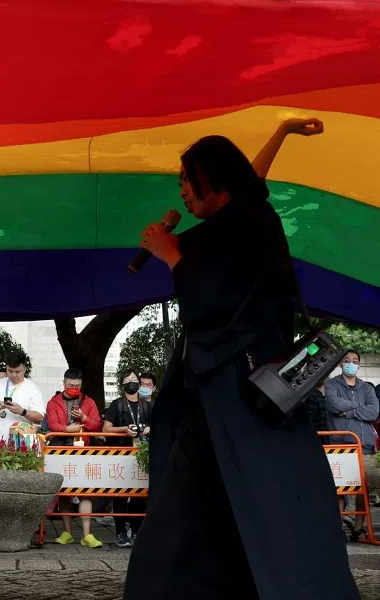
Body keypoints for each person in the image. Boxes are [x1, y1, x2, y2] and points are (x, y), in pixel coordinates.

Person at [125, 119, 358, 599]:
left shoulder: (249, 226)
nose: (184, 192)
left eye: (189, 180)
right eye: (181, 184)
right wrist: (281, 131)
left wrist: (173, 258)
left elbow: (212, 303)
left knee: (262, 506)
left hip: (242, 396)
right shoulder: (231, 223)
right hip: (211, 400)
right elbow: (246, 180)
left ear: (215, 178)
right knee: (192, 514)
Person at [44, 369, 103, 548]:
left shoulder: (89, 402)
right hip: (61, 451)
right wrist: (66, 429)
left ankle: (87, 534)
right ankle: (67, 532)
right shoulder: (54, 402)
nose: (74, 388)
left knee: (85, 491)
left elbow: (98, 426)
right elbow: (52, 424)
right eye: (70, 385)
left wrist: (84, 418)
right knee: (64, 491)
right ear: (64, 383)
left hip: (83, 450)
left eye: (77, 386)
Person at [325, 350, 379, 541]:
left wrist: (347, 412)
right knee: (341, 489)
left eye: (355, 361)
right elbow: (333, 404)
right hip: (343, 446)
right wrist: (359, 408)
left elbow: (374, 412)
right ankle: (337, 530)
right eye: (347, 360)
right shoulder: (332, 385)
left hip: (365, 447)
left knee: (364, 491)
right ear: (341, 364)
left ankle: (358, 529)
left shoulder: (367, 388)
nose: (351, 363)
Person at [103, 370, 151, 548]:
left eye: (134, 380)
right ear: (122, 385)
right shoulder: (116, 405)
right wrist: (124, 429)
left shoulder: (146, 406)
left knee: (139, 496)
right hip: (120, 457)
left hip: (140, 456)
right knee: (120, 497)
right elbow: (106, 429)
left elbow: (158, 425)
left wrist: (148, 429)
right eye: (127, 380)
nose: (131, 383)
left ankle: (137, 531)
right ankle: (121, 533)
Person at [0, 351, 44, 440]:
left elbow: (39, 416)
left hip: (20, 442)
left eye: (18, 372)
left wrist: (22, 411)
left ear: (24, 370)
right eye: (10, 371)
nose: (13, 375)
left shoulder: (32, 388)